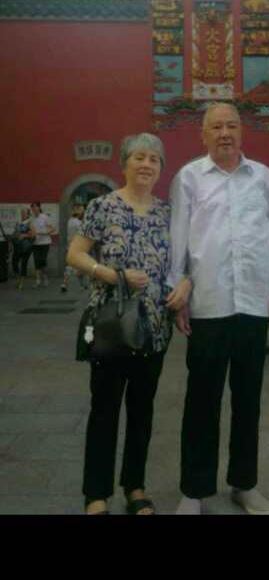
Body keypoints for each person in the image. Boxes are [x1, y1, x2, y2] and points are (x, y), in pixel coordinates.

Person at [169, 102, 269, 516]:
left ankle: (244, 483)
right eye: (217, 127)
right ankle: (194, 489)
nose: (225, 133)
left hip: (253, 303)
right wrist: (177, 292)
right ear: (203, 134)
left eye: (232, 126)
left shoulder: (262, 177)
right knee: (201, 401)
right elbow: (178, 236)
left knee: (248, 399)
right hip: (207, 303)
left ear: (242, 131)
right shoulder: (189, 177)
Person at [67, 133, 191, 515]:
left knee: (142, 411)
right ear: (124, 163)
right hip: (112, 324)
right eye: (139, 157)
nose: (146, 165)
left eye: (154, 159)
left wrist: (186, 284)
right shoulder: (103, 206)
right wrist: (108, 273)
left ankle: (135, 487)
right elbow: (75, 253)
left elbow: (183, 263)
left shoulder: (168, 213)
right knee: (104, 409)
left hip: (154, 328)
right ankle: (96, 493)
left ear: (161, 168)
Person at [61, 205, 87, 293]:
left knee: (71, 266)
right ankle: (81, 285)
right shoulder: (78, 223)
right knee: (80, 266)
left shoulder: (70, 221)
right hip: (78, 247)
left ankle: (66, 284)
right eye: (82, 211)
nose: (83, 213)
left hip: (70, 246)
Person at [29, 202, 55, 288]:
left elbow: (53, 229)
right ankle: (37, 281)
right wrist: (30, 234)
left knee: (42, 261)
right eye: (32, 208)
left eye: (35, 207)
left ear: (39, 208)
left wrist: (43, 233)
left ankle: (45, 276)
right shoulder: (31, 219)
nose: (34, 209)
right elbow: (31, 231)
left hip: (45, 242)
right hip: (35, 243)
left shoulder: (45, 217)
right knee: (36, 261)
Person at [12, 208, 34, 289]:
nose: (22, 214)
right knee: (14, 262)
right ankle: (18, 278)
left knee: (23, 264)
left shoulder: (30, 222)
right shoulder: (19, 222)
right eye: (22, 213)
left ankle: (21, 282)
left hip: (26, 246)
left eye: (24, 213)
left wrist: (24, 235)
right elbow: (15, 233)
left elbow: (33, 234)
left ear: (28, 214)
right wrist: (15, 233)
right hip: (17, 245)